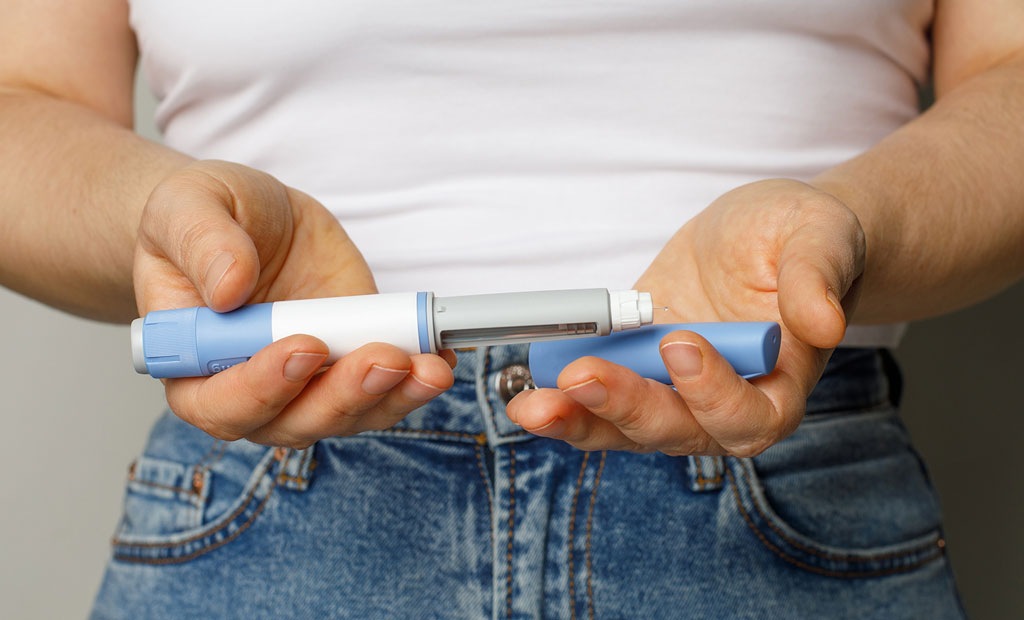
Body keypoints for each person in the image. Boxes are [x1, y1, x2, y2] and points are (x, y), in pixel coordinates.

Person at [1, 1, 1021, 618]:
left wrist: (844, 224)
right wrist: (160, 223)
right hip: (276, 495)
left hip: (780, 473)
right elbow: (25, 100)